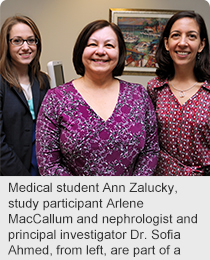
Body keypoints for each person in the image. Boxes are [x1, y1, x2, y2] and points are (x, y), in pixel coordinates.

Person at [36, 20, 159, 176]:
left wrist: (130, 192)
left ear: (120, 53)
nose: (100, 51)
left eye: (109, 45)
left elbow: (151, 150)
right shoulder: (56, 99)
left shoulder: (139, 95)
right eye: (92, 44)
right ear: (81, 50)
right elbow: (49, 164)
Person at [147, 11, 210, 176]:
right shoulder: (154, 88)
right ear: (167, 44)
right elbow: (147, 142)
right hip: (162, 185)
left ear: (201, 45)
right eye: (176, 35)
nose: (183, 43)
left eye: (191, 36)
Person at [0, 15, 50, 176]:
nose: (26, 47)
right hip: (10, 170)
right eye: (17, 41)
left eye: (31, 40)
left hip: (39, 165)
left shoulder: (42, 80)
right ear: (6, 44)